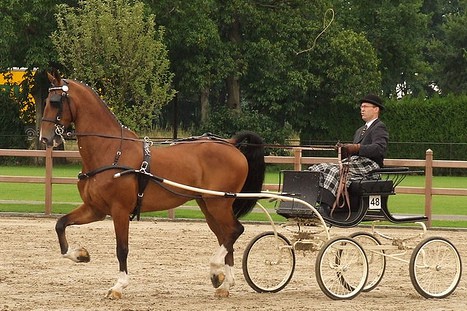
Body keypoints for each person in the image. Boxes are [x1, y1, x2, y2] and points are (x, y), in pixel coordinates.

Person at [308, 94, 389, 216]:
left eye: (365, 106)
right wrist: (343, 150)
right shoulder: (359, 130)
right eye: (361, 107)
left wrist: (357, 147)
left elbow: (379, 149)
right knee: (318, 168)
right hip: (356, 163)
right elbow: (352, 154)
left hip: (370, 165)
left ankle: (326, 207)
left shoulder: (379, 127)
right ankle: (311, 202)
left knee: (335, 171)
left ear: (376, 109)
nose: (362, 109)